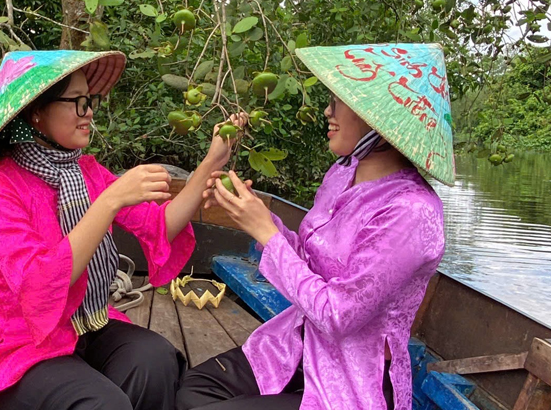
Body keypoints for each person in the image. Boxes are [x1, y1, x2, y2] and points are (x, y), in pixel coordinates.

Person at [175, 43, 455, 410]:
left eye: (338, 101)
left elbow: (337, 315)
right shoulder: (341, 174)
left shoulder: (411, 212)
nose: (327, 111)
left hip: (353, 378)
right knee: (193, 390)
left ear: (376, 119)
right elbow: (308, 262)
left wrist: (266, 234)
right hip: (298, 343)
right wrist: (254, 216)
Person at [0, 50, 245, 410]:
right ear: (36, 113)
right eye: (77, 102)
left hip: (89, 322)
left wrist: (211, 162)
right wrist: (109, 201)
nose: (89, 112)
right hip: (25, 341)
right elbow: (39, 284)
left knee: (155, 359)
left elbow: (159, 226)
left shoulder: (88, 173)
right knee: (103, 404)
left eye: (90, 101)